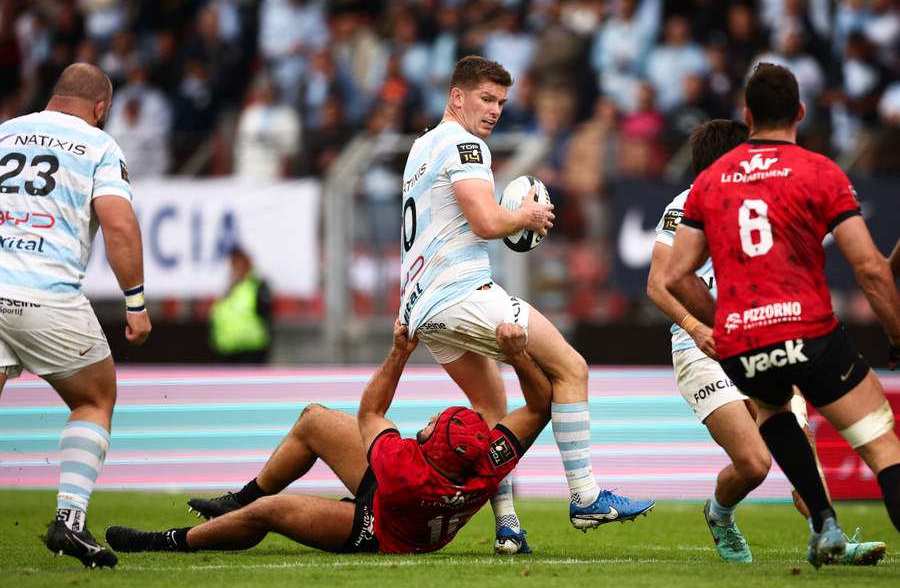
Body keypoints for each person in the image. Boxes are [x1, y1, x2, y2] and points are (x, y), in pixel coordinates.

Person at [398, 55, 654, 553]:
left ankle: (508, 528)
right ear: (458, 96)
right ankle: (585, 495)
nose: (494, 111)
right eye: (486, 99)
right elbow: (487, 223)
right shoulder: (464, 144)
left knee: (492, 410)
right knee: (571, 368)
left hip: (423, 306)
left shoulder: (420, 148)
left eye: (501, 103)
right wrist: (528, 215)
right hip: (464, 292)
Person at [664, 63, 900, 568]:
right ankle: (735, 515)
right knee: (767, 460)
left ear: (750, 118)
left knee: (788, 425)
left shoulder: (732, 189)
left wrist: (729, 323)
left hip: (746, 338)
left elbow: (680, 276)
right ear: (800, 111)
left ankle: (827, 526)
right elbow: (869, 270)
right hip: (750, 336)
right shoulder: (802, 174)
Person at [105, 320, 554, 556]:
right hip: (412, 506)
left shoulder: (401, 464)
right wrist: (518, 356)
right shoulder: (485, 460)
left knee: (272, 512)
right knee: (314, 419)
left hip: (380, 530)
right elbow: (538, 405)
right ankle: (238, 499)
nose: (435, 416)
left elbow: (371, 411)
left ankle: (166, 541)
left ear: (429, 445)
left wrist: (400, 352)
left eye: (436, 421)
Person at [0, 63, 152, 568]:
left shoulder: (5, 133)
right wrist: (135, 303)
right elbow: (119, 224)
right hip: (47, 293)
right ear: (101, 107)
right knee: (95, 397)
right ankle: (69, 520)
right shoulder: (97, 145)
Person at [209, 246, 273, 364]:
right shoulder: (228, 288)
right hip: (228, 349)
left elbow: (266, 315)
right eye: (233, 263)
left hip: (251, 350)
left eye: (238, 263)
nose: (235, 267)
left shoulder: (256, 286)